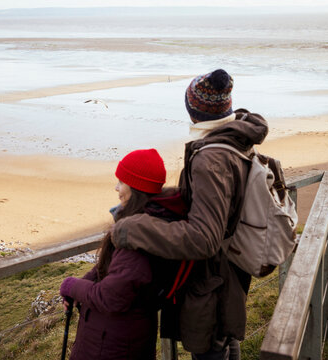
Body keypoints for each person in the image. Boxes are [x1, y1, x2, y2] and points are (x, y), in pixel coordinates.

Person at [111, 69, 269, 360]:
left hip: (213, 277)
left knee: (211, 347)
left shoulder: (211, 158)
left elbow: (204, 239)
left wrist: (131, 228)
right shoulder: (234, 139)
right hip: (231, 266)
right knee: (223, 342)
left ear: (192, 109)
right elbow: (218, 199)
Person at [59, 148, 187, 360]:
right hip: (116, 335)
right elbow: (114, 266)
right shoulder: (147, 223)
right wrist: (85, 281)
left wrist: (71, 285)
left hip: (112, 343)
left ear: (135, 188)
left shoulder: (137, 238)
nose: (117, 188)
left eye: (122, 181)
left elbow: (110, 298)